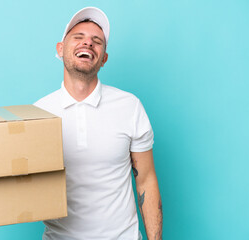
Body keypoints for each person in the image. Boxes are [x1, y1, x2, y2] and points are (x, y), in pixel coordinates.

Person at [34, 6, 162, 240]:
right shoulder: (38, 113)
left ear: (103, 59)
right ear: (60, 49)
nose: (87, 44)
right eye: (78, 38)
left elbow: (146, 179)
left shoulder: (129, 106)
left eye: (97, 41)